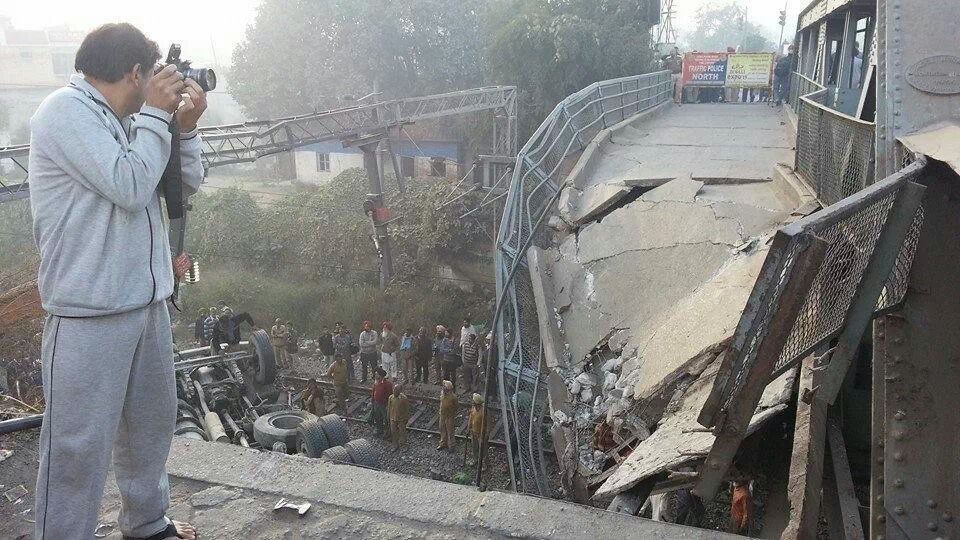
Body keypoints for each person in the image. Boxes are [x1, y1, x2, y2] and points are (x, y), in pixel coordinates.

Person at [28, 23, 206, 540]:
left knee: (150, 433)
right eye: (151, 78)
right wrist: (156, 115)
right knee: (77, 449)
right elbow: (130, 186)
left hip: (146, 304)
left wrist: (185, 130)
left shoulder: (127, 119)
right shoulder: (64, 113)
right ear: (135, 73)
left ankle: (148, 524)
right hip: (88, 313)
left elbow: (181, 184)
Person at [370, 368, 393, 437]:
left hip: (384, 404)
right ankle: (379, 429)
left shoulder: (387, 384)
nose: (375, 375)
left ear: (381, 375)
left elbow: (390, 395)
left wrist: (388, 405)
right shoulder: (376, 382)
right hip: (376, 403)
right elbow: (373, 391)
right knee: (377, 417)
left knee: (386, 418)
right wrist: (372, 400)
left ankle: (387, 431)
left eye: (377, 374)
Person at [387, 384, 411, 450]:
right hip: (392, 418)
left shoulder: (404, 398)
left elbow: (407, 409)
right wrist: (388, 417)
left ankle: (403, 445)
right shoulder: (391, 397)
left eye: (396, 390)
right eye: (394, 389)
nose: (394, 391)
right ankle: (395, 445)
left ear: (400, 391)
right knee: (393, 432)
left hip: (401, 419)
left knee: (402, 432)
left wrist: (406, 418)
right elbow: (389, 408)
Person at [437, 380, 458, 451]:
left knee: (450, 431)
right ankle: (443, 443)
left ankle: (451, 445)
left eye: (445, 387)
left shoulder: (453, 397)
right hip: (442, 415)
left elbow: (456, 407)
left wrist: (452, 414)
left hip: (449, 416)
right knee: (442, 429)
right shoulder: (442, 394)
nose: (443, 388)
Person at [468, 393, 487, 465]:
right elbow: (471, 417)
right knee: (474, 447)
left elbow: (484, 424)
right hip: (473, 431)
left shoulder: (483, 412)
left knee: (483, 449)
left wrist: (483, 435)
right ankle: (475, 459)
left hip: (480, 433)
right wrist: (468, 427)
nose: (472, 402)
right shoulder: (473, 408)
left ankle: (485, 463)